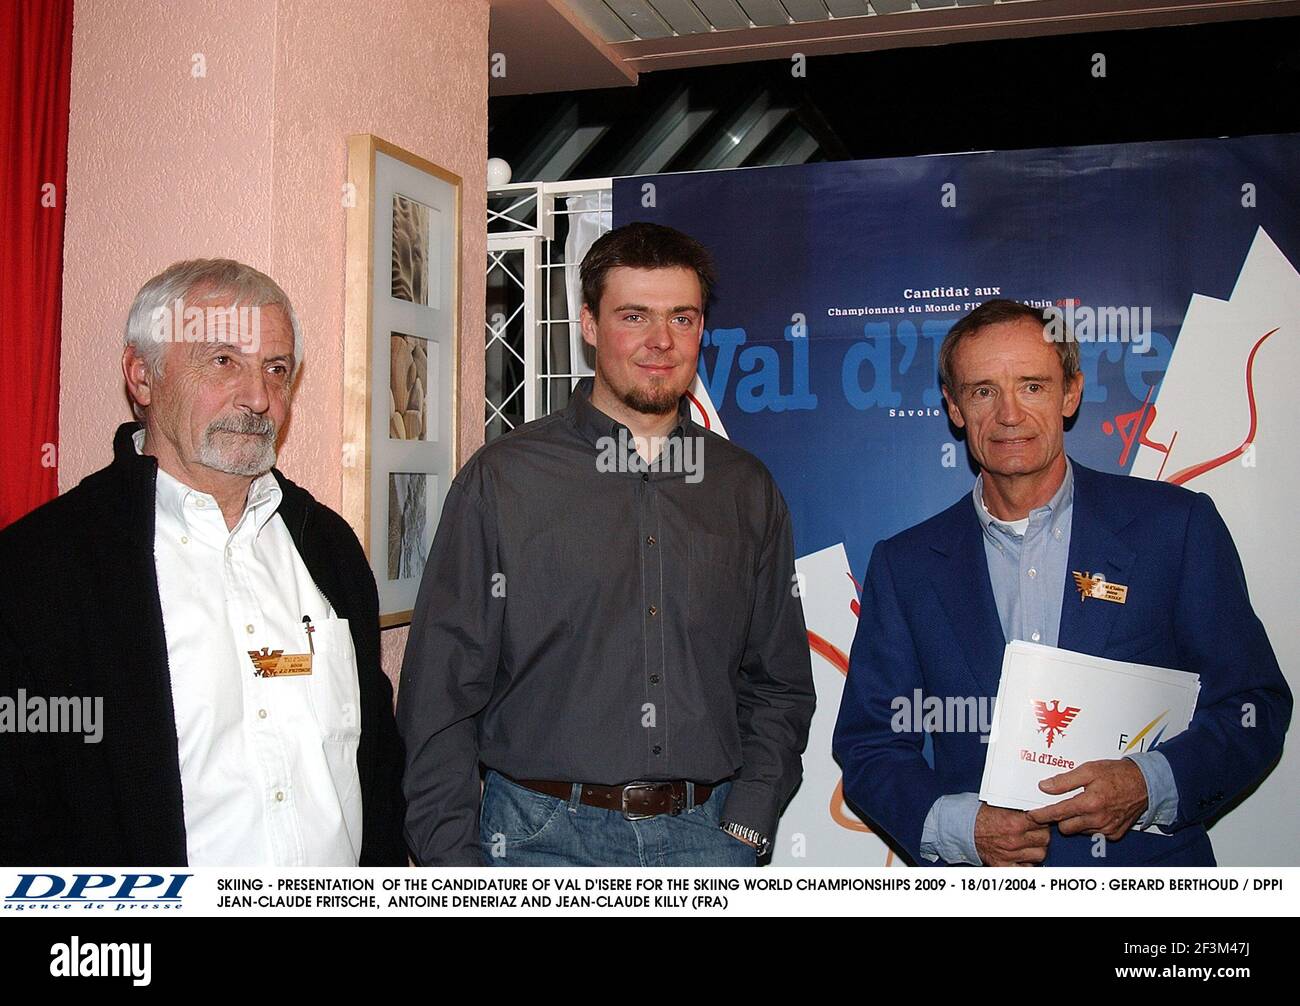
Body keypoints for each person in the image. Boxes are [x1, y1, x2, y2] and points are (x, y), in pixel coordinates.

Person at [398, 222, 815, 866]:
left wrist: (749, 822)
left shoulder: (744, 488)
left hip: (707, 843)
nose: (661, 342)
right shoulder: (503, 479)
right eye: (634, 316)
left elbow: (780, 684)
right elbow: (439, 695)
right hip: (537, 844)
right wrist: (452, 867)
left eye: (682, 317)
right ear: (588, 324)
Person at [833, 298, 1291, 867]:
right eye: (982, 391)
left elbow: (1253, 705)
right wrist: (961, 829)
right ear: (954, 407)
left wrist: (1148, 784)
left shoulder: (1175, 528)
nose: (1008, 415)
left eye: (1031, 386)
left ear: (1070, 393)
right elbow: (871, 744)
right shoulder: (905, 566)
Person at [0, 258, 407, 866]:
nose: (258, 397)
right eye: (223, 361)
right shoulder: (42, 569)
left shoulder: (328, 548)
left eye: (275, 369)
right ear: (142, 378)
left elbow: (374, 764)